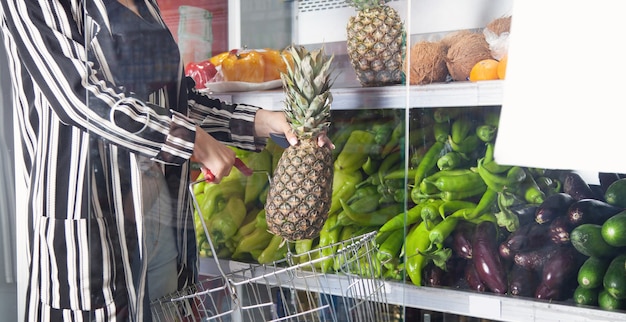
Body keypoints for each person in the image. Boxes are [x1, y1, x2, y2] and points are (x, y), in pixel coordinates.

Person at [0, 0, 332, 321]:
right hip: (92, 228)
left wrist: (262, 120)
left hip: (161, 216)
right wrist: (193, 141)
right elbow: (78, 96)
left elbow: (174, 101)